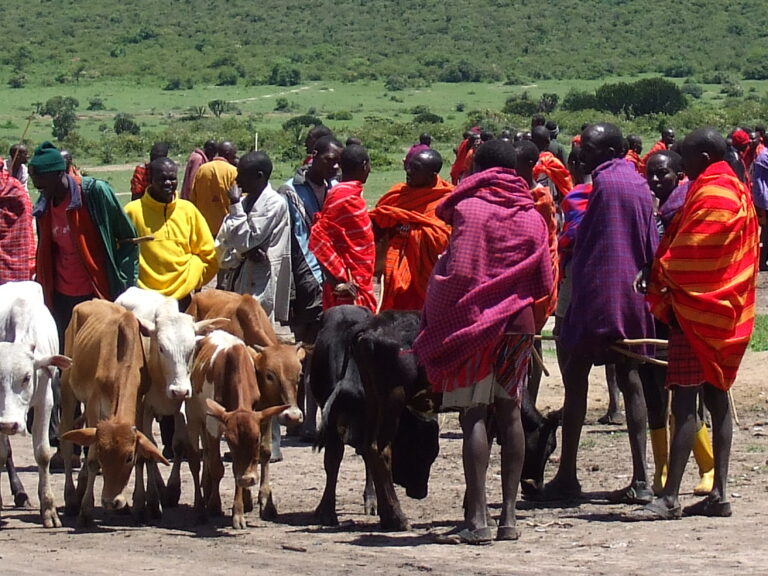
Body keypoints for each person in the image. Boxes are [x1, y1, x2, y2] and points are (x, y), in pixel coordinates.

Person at [415, 139, 553, 544]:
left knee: (474, 413)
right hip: (519, 325)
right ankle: (508, 518)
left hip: (476, 325)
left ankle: (477, 520)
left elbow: (456, 271)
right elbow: (544, 279)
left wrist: (443, 302)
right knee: (510, 413)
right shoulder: (532, 214)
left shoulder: (469, 209)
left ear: (478, 167)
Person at [640, 128, 758, 520]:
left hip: (697, 311)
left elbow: (692, 251)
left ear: (704, 157)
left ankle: (669, 496)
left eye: (687, 158)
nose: (683, 165)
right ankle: (720, 493)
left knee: (687, 404)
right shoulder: (736, 186)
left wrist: (660, 274)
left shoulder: (714, 192)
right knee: (718, 400)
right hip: (726, 309)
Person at [540, 123, 657, 503]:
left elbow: (594, 246)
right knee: (631, 380)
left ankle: (568, 476)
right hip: (631, 298)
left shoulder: (603, 186)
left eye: (588, 147)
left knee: (575, 382)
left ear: (606, 151)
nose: (581, 153)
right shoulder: (637, 182)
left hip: (596, 299)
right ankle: (641, 477)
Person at [30, 141, 139, 466]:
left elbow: (128, 240)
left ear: (61, 175)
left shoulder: (95, 193)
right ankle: (68, 445)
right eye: (37, 185)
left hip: (99, 295)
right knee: (66, 371)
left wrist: (124, 287)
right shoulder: (45, 205)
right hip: (61, 298)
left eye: (44, 184)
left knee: (104, 373)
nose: (41, 191)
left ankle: (104, 443)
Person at [642, 150, 714, 497]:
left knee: (687, 394)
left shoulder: (683, 208)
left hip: (684, 309)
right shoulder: (659, 208)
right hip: (659, 305)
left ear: (680, 173)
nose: (655, 180)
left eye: (662, 174)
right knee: (659, 389)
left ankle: (708, 465)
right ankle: (663, 469)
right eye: (650, 175)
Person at [278, 135, 343, 439]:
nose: (335, 165)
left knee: (323, 348)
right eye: (330, 159)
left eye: (338, 161)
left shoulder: (334, 189)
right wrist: (319, 275)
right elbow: (300, 240)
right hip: (306, 277)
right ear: (314, 156)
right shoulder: (291, 193)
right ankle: (301, 416)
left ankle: (316, 418)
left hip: (330, 275)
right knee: (304, 349)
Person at [124, 157, 217, 309]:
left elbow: (209, 254)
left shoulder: (188, 211)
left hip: (182, 299)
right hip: (144, 300)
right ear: (151, 180)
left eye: (172, 178)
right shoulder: (132, 211)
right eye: (162, 179)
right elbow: (120, 254)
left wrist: (192, 279)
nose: (168, 183)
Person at [369, 148, 453, 311]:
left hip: (427, 271)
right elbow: (380, 217)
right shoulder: (397, 194)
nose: (409, 172)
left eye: (416, 169)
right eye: (409, 166)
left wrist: (409, 229)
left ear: (432, 175)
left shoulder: (446, 199)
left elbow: (444, 236)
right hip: (395, 261)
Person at [216, 151, 291, 324]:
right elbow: (226, 236)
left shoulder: (274, 203)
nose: (237, 180)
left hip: (260, 277)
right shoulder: (245, 202)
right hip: (240, 274)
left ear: (259, 176)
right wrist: (243, 252)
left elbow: (247, 240)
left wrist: (234, 205)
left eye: (242, 175)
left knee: (255, 325)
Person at [309, 144, 376, 312]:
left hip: (356, 278)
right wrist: (338, 281)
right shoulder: (344, 197)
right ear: (363, 166)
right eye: (368, 165)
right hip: (348, 283)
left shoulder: (345, 193)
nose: (369, 170)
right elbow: (319, 237)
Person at [190, 141, 238, 236]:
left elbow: (193, 197)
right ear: (228, 154)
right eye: (234, 154)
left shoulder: (202, 169)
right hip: (224, 228)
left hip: (203, 226)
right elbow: (239, 201)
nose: (235, 157)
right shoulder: (233, 171)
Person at [0, 157, 35, 283]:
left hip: (16, 259)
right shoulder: (16, 188)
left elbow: (26, 226)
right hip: (17, 264)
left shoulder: (16, 190)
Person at [531, 125, 573, 202]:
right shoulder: (552, 162)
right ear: (548, 142)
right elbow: (566, 184)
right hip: (549, 204)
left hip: (529, 202)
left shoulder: (526, 161)